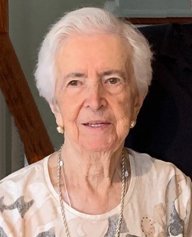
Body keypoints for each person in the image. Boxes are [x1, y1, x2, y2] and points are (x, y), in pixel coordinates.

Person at [0, 7, 191, 237]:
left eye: (112, 80)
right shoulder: (8, 206)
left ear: (136, 101)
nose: (95, 100)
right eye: (75, 82)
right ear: (55, 104)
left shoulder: (173, 191)